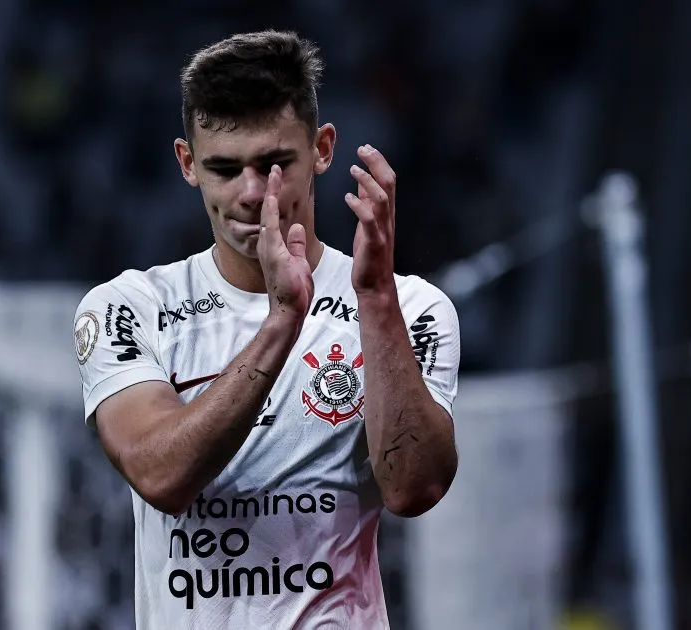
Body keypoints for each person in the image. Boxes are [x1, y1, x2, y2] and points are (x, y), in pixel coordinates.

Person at [73, 29, 460, 629]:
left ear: (322, 149)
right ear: (187, 164)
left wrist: (376, 299)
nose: (253, 193)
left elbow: (415, 489)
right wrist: (284, 320)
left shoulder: (409, 307)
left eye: (274, 164)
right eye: (225, 169)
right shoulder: (131, 307)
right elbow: (160, 475)